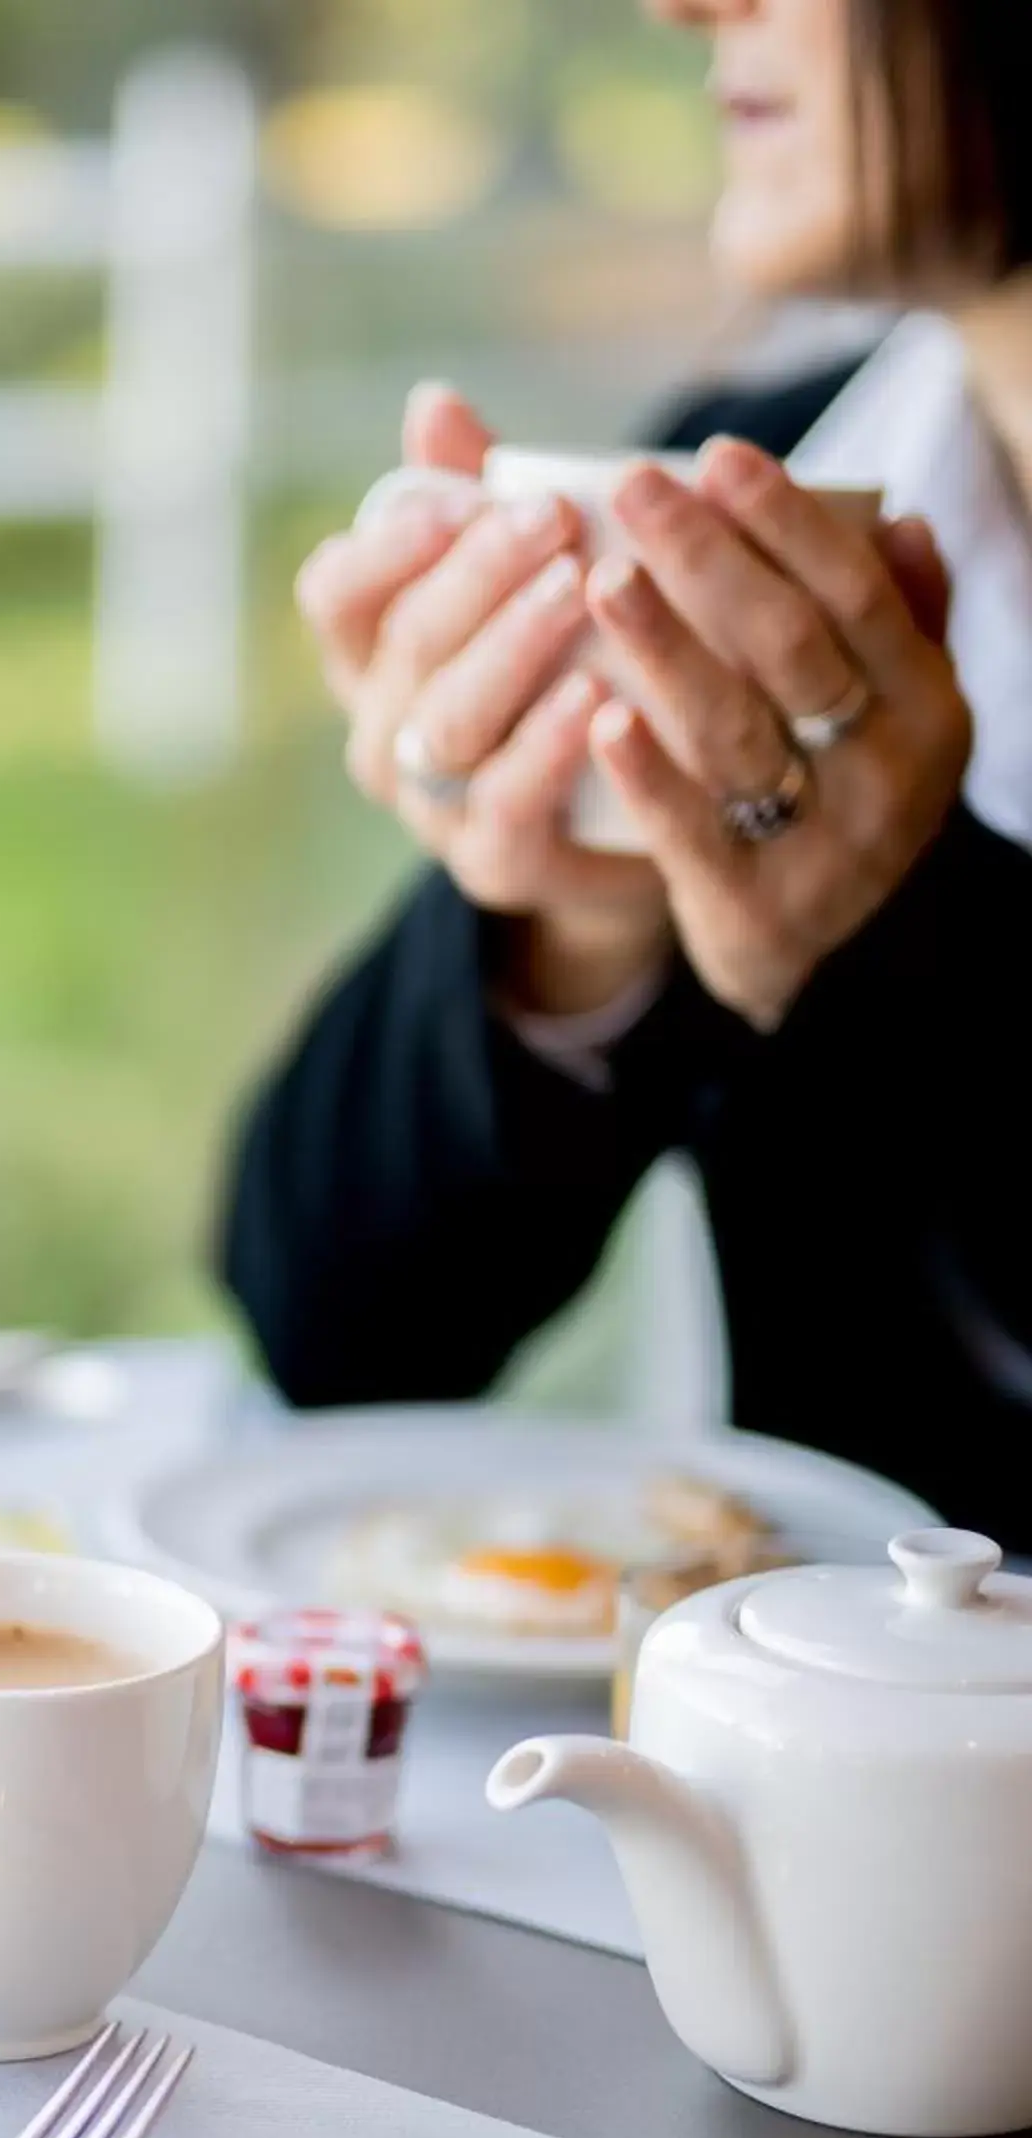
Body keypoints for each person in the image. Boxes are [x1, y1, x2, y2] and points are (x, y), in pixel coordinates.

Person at [221, 0, 1032, 1547]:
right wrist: (577, 929)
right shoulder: (770, 493)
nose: (687, 2)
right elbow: (327, 1330)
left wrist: (918, 929)